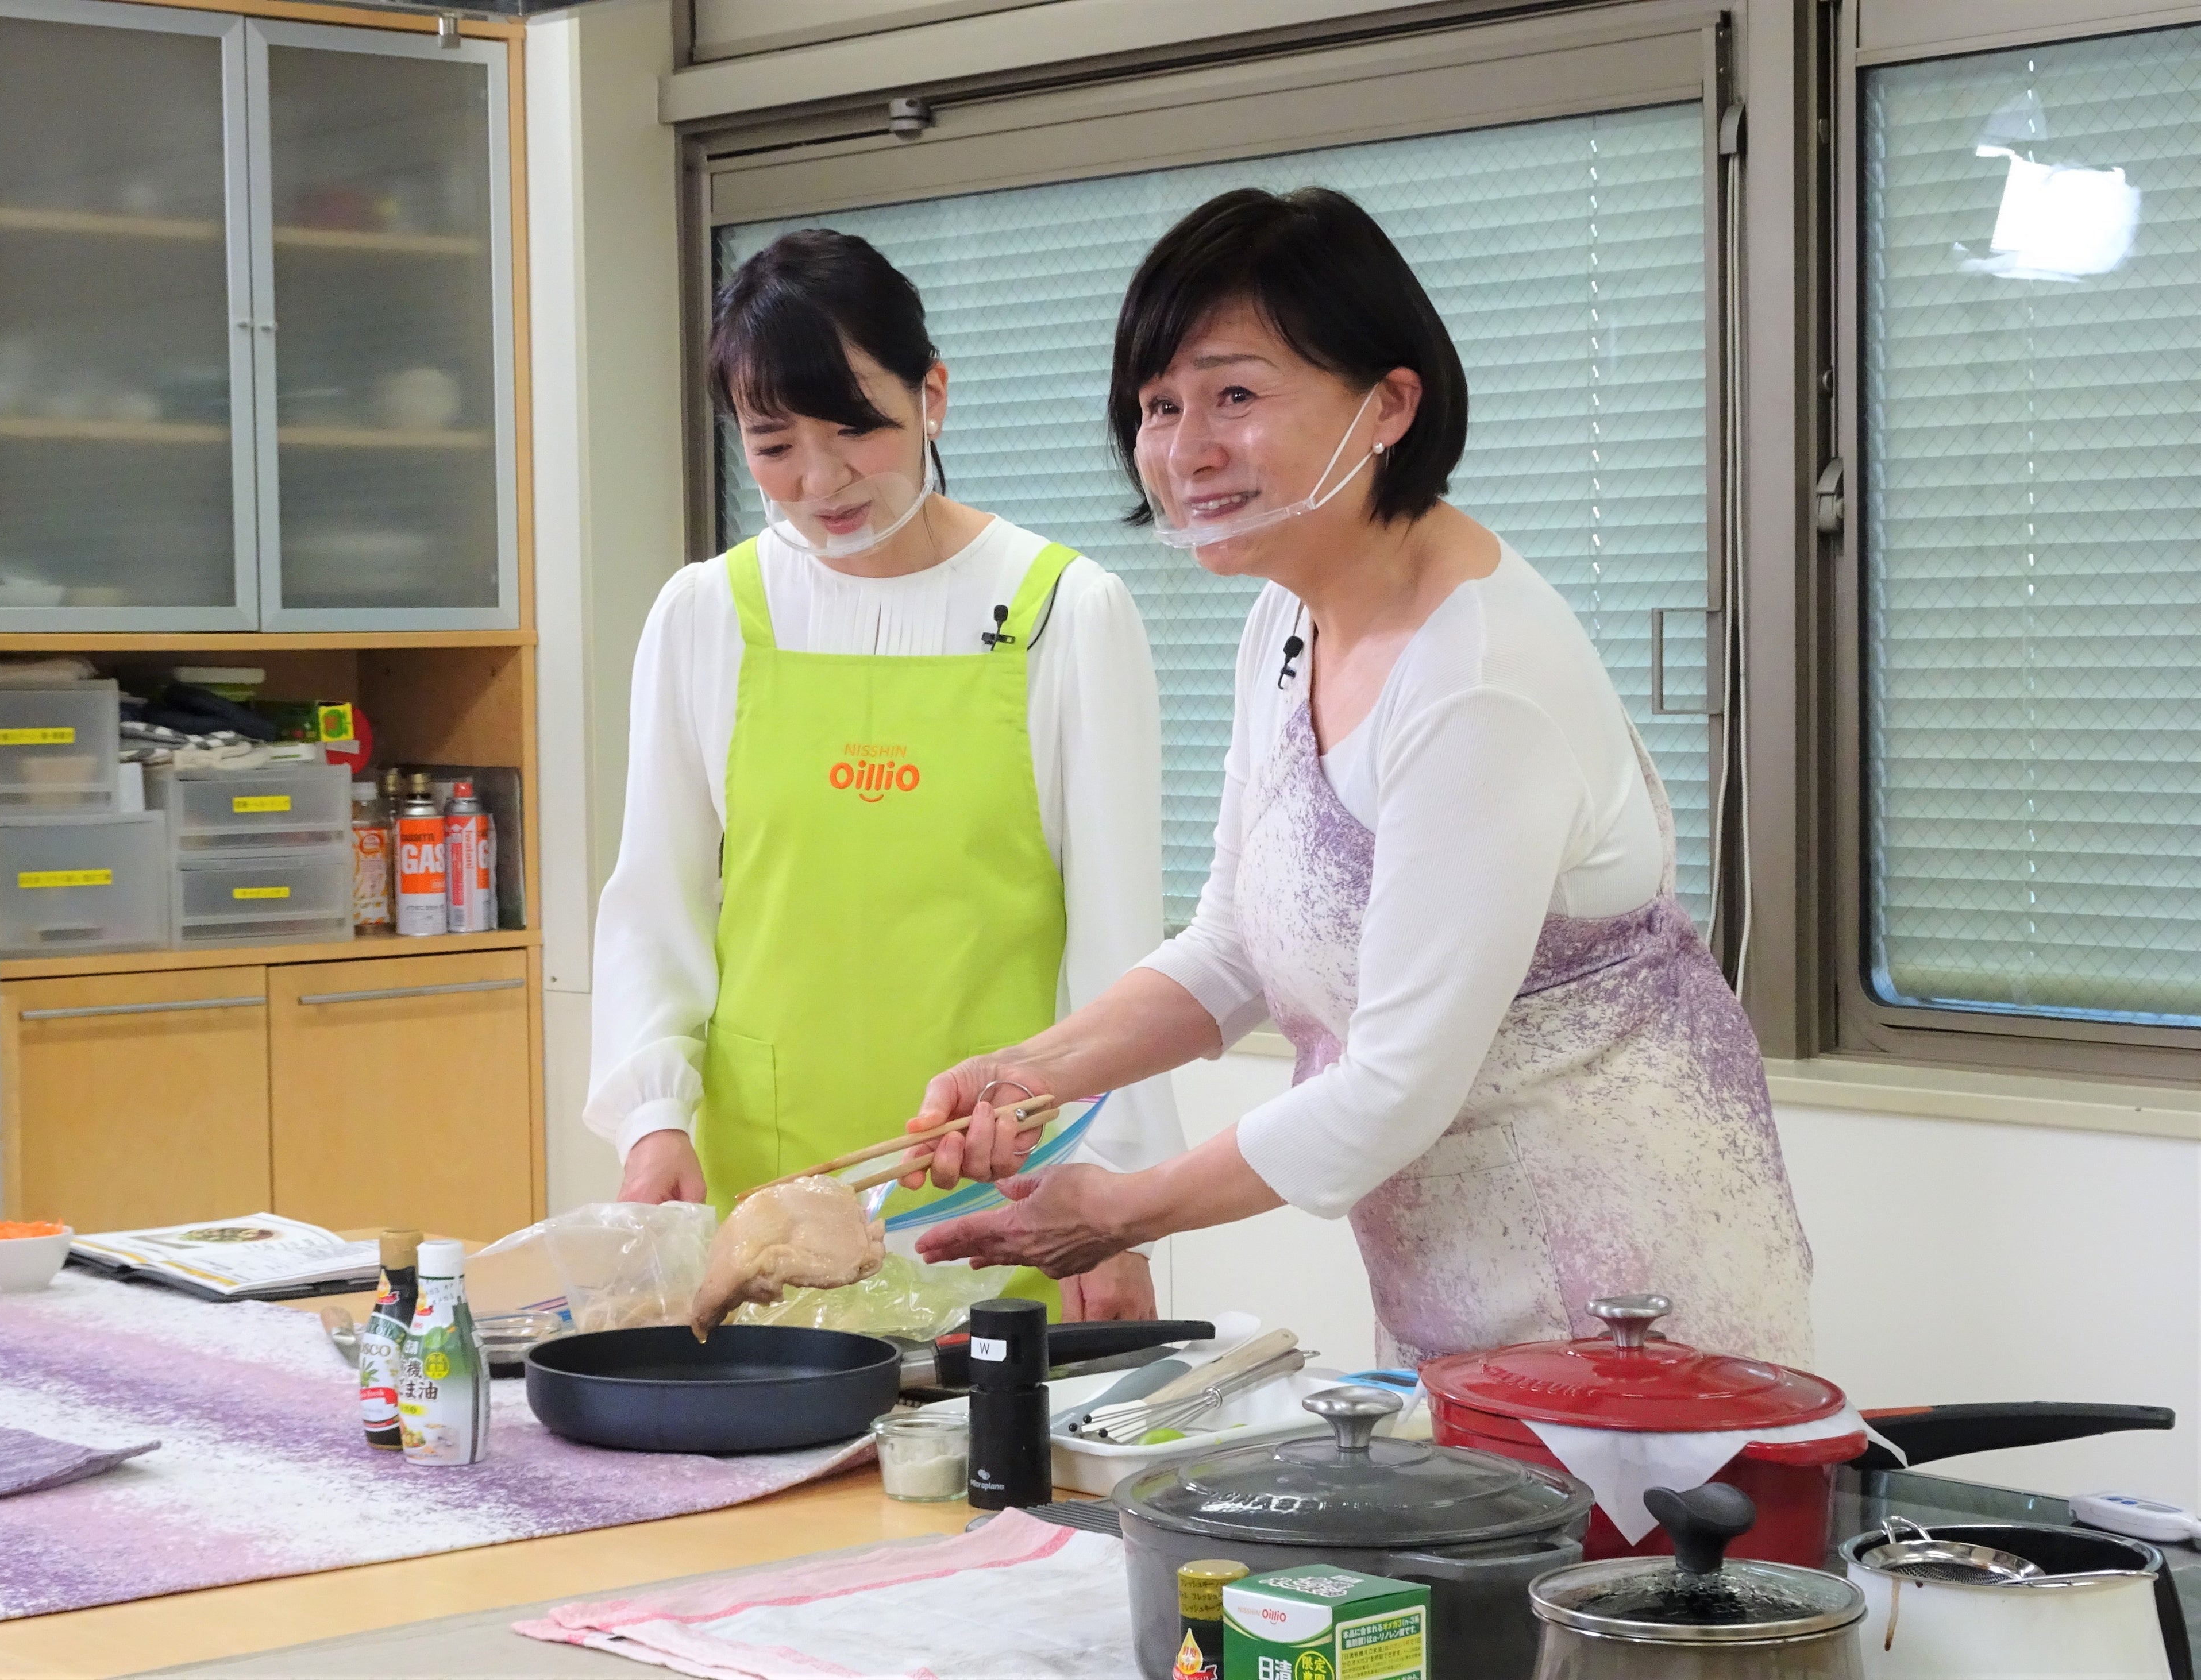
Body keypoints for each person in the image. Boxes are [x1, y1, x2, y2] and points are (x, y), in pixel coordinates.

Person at [910, 188, 1814, 1365]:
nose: (1188, 449)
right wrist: (1025, 1074)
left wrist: (1122, 1208)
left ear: (1390, 402)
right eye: (1160, 404)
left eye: (1237, 393)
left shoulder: (1476, 682)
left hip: (1635, 1314)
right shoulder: (1291, 620)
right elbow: (1236, 944)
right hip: (1452, 1294)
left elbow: (1393, 1084)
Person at [584, 229, 1182, 1322]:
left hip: (1002, 1188)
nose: (820, 481)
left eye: (853, 427)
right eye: (773, 445)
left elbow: (1117, 948)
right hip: (768, 1200)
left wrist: (1119, 1206)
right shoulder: (707, 615)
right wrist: (652, 1120)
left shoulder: (1062, 611)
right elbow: (653, 905)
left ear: (933, 394)